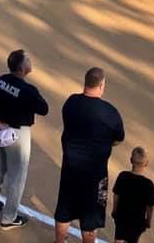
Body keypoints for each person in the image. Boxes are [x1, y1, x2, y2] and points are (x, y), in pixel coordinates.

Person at [54, 67, 125, 243]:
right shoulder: (110, 112)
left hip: (70, 170)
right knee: (90, 222)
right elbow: (118, 139)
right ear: (101, 85)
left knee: (64, 212)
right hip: (97, 177)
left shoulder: (71, 102)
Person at [0, 49, 50, 230]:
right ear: (22, 67)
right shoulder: (29, 90)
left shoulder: (1, 80)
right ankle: (8, 218)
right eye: (28, 59)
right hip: (18, 136)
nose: (30, 61)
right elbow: (44, 109)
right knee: (16, 179)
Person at [112, 147, 154, 243]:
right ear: (146, 163)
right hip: (137, 222)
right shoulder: (148, 184)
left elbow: (116, 195)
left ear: (131, 160)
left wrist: (114, 210)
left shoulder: (123, 176)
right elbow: (150, 206)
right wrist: (148, 221)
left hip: (121, 217)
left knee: (118, 239)